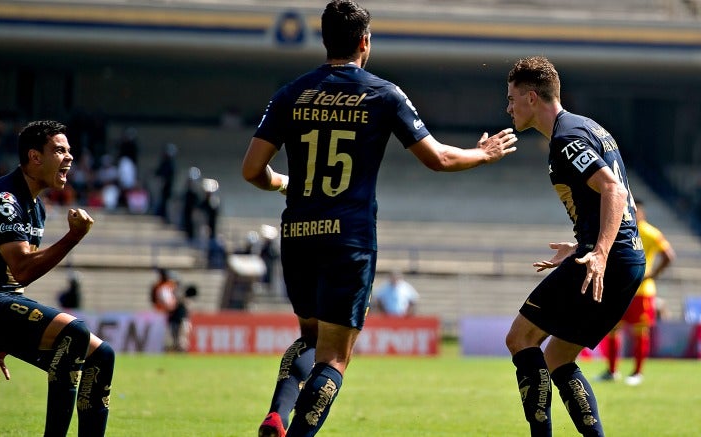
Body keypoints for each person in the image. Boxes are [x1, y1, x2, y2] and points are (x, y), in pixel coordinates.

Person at [242, 2, 517, 435]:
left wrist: (281, 183)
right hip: (347, 238)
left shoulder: (291, 92)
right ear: (365, 42)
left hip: (297, 234)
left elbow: (251, 170)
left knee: (310, 342)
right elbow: (439, 159)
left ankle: (278, 411)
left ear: (324, 39)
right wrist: (484, 153)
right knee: (334, 358)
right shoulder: (383, 93)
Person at [503, 56, 645, 436]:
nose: (509, 107)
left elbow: (612, 190)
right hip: (627, 257)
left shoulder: (566, 138)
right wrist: (582, 243)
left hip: (608, 259)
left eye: (512, 97)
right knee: (557, 357)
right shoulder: (589, 127)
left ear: (532, 98)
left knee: (520, 338)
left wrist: (598, 251)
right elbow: (618, 195)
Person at [0, 120, 115, 437]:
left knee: (101, 355)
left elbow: (17, 278)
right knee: (75, 333)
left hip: (4, 307)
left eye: (69, 151)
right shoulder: (5, 198)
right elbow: (24, 267)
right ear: (35, 157)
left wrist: (7, 331)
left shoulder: (36, 206)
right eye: (59, 150)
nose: (69, 157)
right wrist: (73, 237)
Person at [599, 199, 675, 385]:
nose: (633, 212)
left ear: (641, 212)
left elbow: (668, 255)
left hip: (642, 292)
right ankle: (612, 371)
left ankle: (637, 373)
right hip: (619, 289)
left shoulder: (651, 233)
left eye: (636, 210)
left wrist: (652, 275)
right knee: (612, 330)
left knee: (640, 333)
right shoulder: (618, 228)